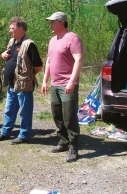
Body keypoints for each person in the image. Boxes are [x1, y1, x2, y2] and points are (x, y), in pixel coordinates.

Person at [41, 12, 83, 162]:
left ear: (62, 22)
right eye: (50, 22)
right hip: (55, 84)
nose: (50, 25)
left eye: (53, 22)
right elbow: (49, 61)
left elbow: (78, 60)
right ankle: (63, 141)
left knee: (69, 115)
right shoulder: (52, 40)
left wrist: (72, 81)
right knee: (57, 114)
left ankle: (73, 146)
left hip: (67, 83)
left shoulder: (73, 38)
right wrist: (45, 80)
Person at [0, 17, 43, 144]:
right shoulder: (12, 42)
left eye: (12, 28)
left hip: (23, 84)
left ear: (21, 28)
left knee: (25, 111)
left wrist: (28, 76)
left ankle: (24, 135)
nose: (10, 31)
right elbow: (10, 55)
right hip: (12, 84)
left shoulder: (29, 44)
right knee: (9, 109)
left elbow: (38, 65)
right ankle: (5, 132)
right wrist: (4, 54)